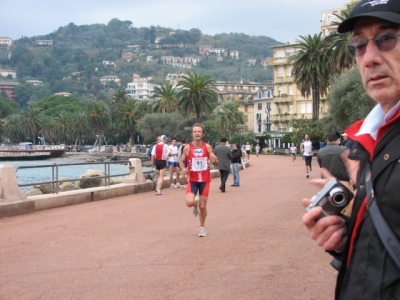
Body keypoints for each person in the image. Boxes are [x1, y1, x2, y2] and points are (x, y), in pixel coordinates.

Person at [302, 1, 400, 298]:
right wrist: (346, 241)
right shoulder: (367, 142)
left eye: (386, 38)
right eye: (359, 45)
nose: (369, 58)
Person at [179, 123, 219, 237]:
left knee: (203, 206)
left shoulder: (207, 147)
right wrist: (183, 169)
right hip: (192, 180)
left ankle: (202, 227)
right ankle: (194, 203)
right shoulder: (187, 147)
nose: (197, 133)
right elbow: (181, 160)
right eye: (195, 131)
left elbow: (215, 163)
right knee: (189, 202)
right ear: (192, 133)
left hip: (205, 180)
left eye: (199, 131)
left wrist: (215, 160)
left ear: (202, 134)